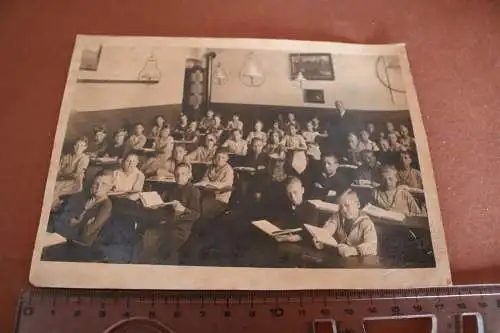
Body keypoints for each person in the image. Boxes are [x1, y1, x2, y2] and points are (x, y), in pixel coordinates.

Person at [140, 163, 201, 264]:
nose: (179, 177)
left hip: (183, 226)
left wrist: (184, 209)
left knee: (168, 242)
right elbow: (166, 206)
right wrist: (158, 206)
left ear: (189, 175)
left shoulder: (193, 191)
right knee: (149, 235)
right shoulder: (173, 188)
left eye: (183, 174)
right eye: (177, 174)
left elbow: (197, 215)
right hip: (170, 222)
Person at [54, 171, 114, 248]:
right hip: (67, 238)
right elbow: (65, 223)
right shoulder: (87, 199)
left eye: (104, 184)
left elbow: (85, 233)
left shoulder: (106, 206)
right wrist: (84, 212)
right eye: (96, 183)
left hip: (81, 245)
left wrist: (78, 221)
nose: (99, 187)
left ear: (110, 187)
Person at [314, 190, 377, 257]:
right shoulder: (338, 216)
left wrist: (353, 251)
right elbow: (329, 228)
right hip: (342, 257)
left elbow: (372, 247)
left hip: (359, 259)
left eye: (347, 206)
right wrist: (321, 238)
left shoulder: (366, 222)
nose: (343, 210)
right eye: (341, 207)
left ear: (358, 204)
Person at [269, 177, 319, 243]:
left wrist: (289, 238)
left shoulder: (311, 209)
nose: (293, 197)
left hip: (302, 244)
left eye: (295, 192)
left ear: (302, 190)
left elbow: (310, 233)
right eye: (289, 194)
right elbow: (278, 222)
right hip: (281, 240)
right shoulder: (283, 206)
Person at [52, 137, 90, 210]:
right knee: (52, 185)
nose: (78, 148)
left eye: (81, 146)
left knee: (55, 188)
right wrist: (59, 174)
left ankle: (54, 206)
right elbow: (57, 169)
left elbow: (76, 175)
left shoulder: (84, 158)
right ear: (74, 146)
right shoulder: (67, 156)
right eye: (77, 145)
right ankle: (55, 205)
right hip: (62, 180)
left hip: (74, 183)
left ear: (85, 147)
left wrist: (61, 175)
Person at [199, 148, 234, 218]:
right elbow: (204, 179)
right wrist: (206, 183)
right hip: (207, 194)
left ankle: (204, 223)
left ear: (227, 159)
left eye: (223, 157)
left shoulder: (228, 170)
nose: (220, 159)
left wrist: (210, 184)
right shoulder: (211, 167)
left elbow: (225, 184)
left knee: (205, 202)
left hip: (220, 199)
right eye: (218, 157)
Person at [239, 137, 270, 201]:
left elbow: (267, 170)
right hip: (249, 176)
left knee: (259, 182)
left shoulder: (266, 156)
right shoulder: (249, 156)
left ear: (262, 146)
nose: (257, 148)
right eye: (254, 146)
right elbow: (246, 166)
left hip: (261, 178)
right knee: (243, 182)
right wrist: (244, 169)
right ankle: (243, 200)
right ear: (251, 146)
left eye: (259, 146)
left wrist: (256, 171)